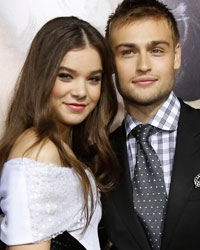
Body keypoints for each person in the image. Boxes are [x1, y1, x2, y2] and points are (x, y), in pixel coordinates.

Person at [0, 16, 118, 250]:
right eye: (66, 76)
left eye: (93, 79)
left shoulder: (63, 146)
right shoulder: (39, 150)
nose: (81, 92)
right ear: (42, 76)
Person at [101, 0, 200, 250]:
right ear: (111, 62)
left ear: (176, 56)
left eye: (156, 50)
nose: (143, 65)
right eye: (128, 52)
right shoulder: (98, 156)